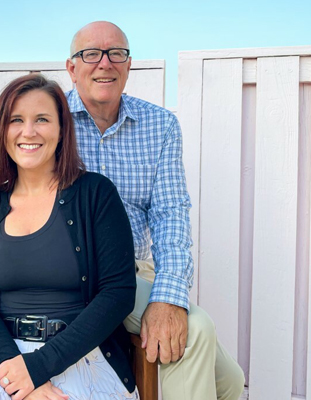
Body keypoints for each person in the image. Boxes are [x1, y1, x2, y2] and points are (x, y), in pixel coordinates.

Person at [65, 21, 245, 400]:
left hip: (135, 272)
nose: (105, 63)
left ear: (129, 65)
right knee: (196, 332)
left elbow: (170, 215)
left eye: (117, 53)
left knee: (230, 380)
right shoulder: (50, 121)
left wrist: (168, 296)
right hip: (80, 273)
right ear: (72, 68)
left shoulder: (159, 124)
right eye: (91, 54)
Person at [0, 74, 138, 400]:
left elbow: (118, 293)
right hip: (2, 362)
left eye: (42, 120)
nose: (29, 131)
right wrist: (17, 372)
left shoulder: (96, 195)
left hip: (81, 356)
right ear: (2, 130)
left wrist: (38, 368)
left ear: (62, 129)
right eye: (16, 120)